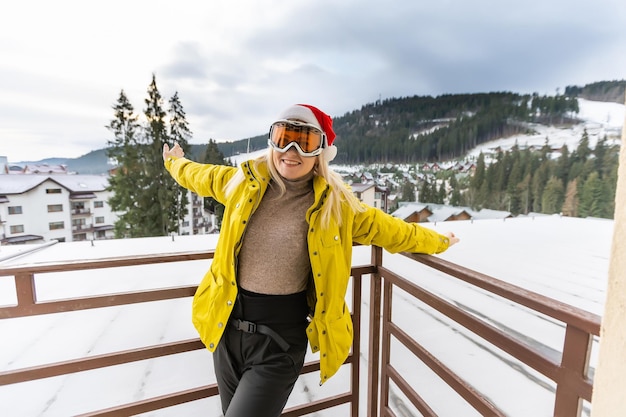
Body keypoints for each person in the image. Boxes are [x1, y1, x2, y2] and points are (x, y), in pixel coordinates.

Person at [163, 103, 459, 417]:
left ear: (320, 152)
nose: (291, 151)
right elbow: (198, 175)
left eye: (304, 143)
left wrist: (439, 240)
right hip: (226, 330)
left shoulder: (337, 205)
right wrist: (175, 162)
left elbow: (391, 230)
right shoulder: (241, 184)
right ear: (272, 142)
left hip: (278, 342)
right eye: (282, 137)